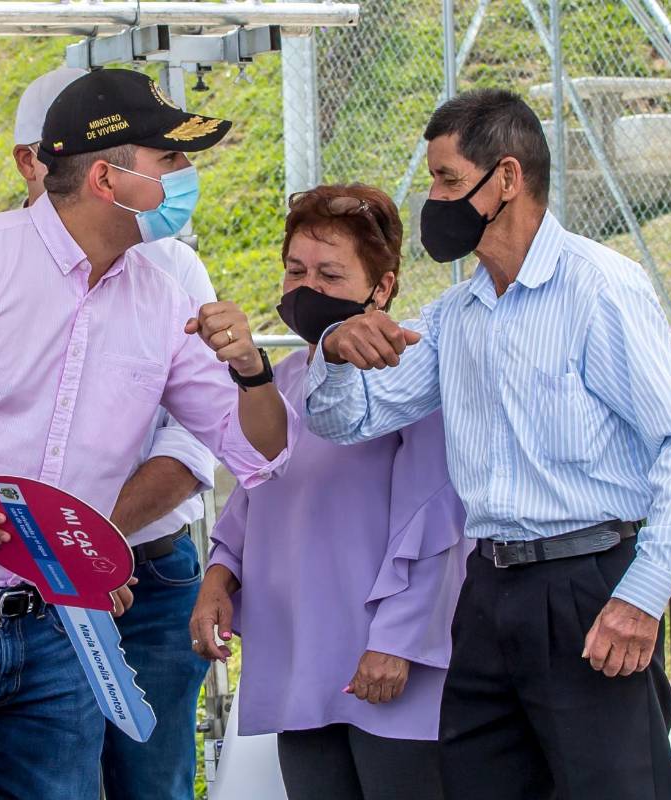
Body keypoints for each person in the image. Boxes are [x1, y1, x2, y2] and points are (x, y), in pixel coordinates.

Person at [0, 68, 292, 799]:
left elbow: (256, 451)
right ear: (107, 176)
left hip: (58, 625)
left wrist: (253, 370)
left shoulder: (163, 299)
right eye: (170, 160)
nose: (188, 176)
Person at [303, 89, 671, 799]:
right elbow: (347, 421)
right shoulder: (457, 314)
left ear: (506, 178)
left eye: (446, 179)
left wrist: (642, 596)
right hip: (489, 589)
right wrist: (338, 348)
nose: (433, 200)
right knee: (479, 783)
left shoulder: (602, 290)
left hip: (589, 585)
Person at [190, 183, 468, 800]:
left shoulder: (411, 378)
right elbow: (253, 496)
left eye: (330, 273)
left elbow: (437, 522)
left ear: (383, 287)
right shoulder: (283, 379)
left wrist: (396, 644)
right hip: (300, 665)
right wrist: (218, 580)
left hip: (385, 669)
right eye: (295, 270)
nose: (307, 287)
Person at [13, 64, 215, 800]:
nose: (182, 177)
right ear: (31, 164)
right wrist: (63, 557)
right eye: (169, 159)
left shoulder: (174, 274)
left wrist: (93, 543)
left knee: (149, 780)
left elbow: (199, 440)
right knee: (44, 778)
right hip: (28, 578)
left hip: (150, 575)